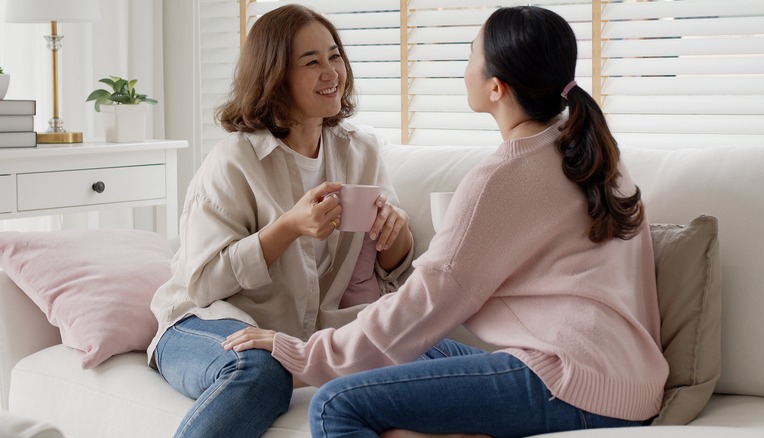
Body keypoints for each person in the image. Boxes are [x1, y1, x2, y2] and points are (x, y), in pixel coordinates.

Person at [222, 5, 670, 437]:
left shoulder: (502, 178)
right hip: (632, 384)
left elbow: (425, 301)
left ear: (496, 88)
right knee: (415, 350)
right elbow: (416, 325)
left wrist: (303, 356)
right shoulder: (596, 153)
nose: (464, 67)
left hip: (571, 383)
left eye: (471, 54)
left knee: (335, 404)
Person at [146, 4, 414, 437]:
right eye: (311, 62)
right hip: (202, 322)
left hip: (290, 338)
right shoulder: (234, 160)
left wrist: (393, 228)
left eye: (334, 56)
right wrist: (288, 227)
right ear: (275, 77)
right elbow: (203, 283)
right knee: (261, 371)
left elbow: (394, 269)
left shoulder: (361, 151)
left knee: (418, 347)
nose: (331, 72)